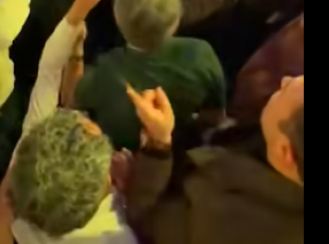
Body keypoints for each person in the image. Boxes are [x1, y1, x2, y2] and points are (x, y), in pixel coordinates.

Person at [0, 0, 137, 244]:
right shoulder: (116, 235)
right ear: (104, 186)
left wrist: (78, 9)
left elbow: (49, 71)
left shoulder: (30, 157)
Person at [124, 75, 305, 244]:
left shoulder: (218, 225)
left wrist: (157, 145)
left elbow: (143, 220)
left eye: (285, 89)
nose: (284, 79)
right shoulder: (279, 139)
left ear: (285, 152)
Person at [74, 0, 226, 151]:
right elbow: (215, 115)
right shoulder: (202, 54)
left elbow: (72, 103)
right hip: (180, 151)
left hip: (117, 156)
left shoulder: (100, 73)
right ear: (176, 20)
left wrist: (74, 50)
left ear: (117, 16)